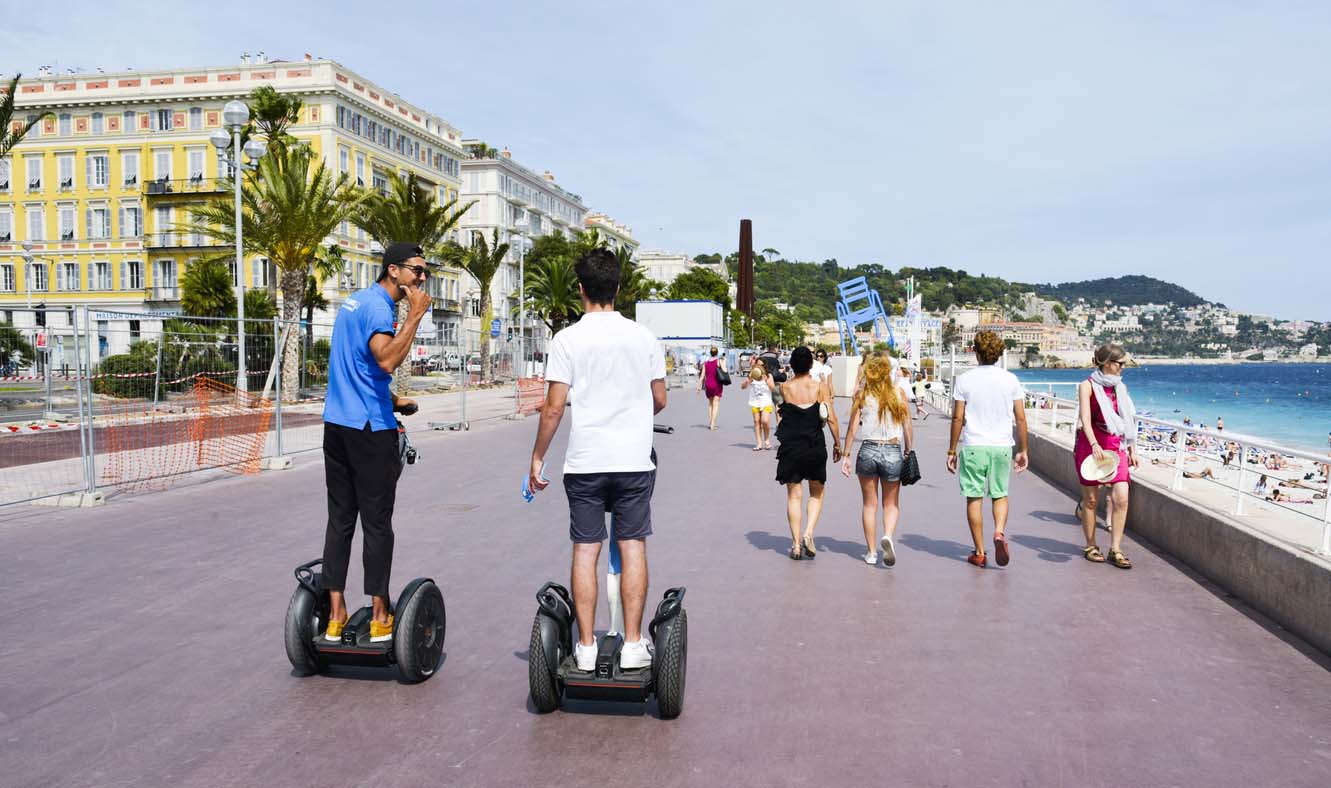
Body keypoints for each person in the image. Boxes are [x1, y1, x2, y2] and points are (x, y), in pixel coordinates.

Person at [528, 248, 668, 671]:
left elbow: (553, 408)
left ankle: (585, 647)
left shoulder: (566, 339)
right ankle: (632, 643)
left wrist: (537, 458)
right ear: (619, 288)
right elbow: (659, 398)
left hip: (585, 463)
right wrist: (636, 416)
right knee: (632, 546)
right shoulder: (644, 337)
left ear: (581, 289)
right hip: (632, 462)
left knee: (586, 550)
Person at [320, 242, 431, 643]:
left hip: (338, 425)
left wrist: (395, 400)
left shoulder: (354, 302)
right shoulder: (381, 308)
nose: (422, 278)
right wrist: (415, 316)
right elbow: (385, 360)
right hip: (369, 431)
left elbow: (359, 368)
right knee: (377, 524)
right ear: (393, 271)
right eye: (417, 270)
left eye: (425, 272)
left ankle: (335, 614)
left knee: (340, 520)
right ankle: (380, 614)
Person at [945, 331, 1028, 569]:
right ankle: (999, 533)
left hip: (974, 445)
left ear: (976, 352)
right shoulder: (1010, 380)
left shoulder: (965, 379)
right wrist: (1023, 449)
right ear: (999, 353)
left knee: (975, 497)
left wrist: (951, 450)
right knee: (1000, 493)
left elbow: (958, 417)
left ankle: (980, 552)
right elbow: (1021, 419)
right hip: (1002, 445)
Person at [841, 355, 912, 566]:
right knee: (891, 504)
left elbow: (853, 428)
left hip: (868, 450)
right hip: (892, 449)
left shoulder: (862, 394)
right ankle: (888, 536)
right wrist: (908, 450)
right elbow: (908, 427)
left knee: (869, 505)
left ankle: (871, 552)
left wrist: (845, 455)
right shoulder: (898, 394)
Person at [1074, 343, 1140, 569]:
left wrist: (1132, 447)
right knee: (1091, 500)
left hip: (1116, 446)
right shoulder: (1087, 385)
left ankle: (1116, 548)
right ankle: (1091, 545)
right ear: (1108, 363)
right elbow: (1085, 418)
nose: (1123, 367)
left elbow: (1128, 420)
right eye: (1120, 364)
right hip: (1091, 446)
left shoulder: (1121, 388)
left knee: (1122, 497)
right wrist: (1093, 444)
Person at [775, 346, 842, 560]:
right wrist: (838, 444)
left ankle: (795, 545)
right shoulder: (820, 387)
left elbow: (781, 416)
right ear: (811, 365)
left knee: (794, 496)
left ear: (792, 365)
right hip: (814, 445)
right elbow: (831, 418)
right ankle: (809, 533)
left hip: (791, 447)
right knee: (817, 493)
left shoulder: (784, 388)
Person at [741, 359, 775, 450]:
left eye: (762, 365)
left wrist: (766, 380)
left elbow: (773, 388)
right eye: (758, 365)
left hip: (766, 402)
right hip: (755, 401)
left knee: (765, 421)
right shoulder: (752, 374)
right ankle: (759, 443)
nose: (760, 367)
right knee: (756, 421)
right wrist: (748, 382)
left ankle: (767, 439)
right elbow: (742, 387)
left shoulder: (768, 375)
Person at [696, 345, 726, 431]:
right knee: (716, 404)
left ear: (710, 353)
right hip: (717, 384)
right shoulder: (718, 361)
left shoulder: (706, 363)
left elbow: (702, 376)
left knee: (710, 404)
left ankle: (710, 422)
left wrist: (698, 387)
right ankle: (713, 423)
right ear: (717, 353)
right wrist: (724, 362)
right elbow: (725, 371)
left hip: (708, 385)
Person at [759, 344, 787, 422]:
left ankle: (763, 421)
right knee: (778, 404)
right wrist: (782, 371)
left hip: (763, 383)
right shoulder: (775, 359)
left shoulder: (761, 357)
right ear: (774, 349)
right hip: (775, 383)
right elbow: (777, 371)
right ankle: (779, 423)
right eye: (777, 348)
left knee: (763, 404)